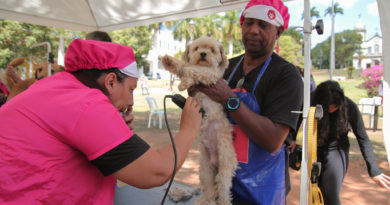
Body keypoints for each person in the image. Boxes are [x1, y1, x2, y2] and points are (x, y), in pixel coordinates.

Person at [0, 39, 202, 204]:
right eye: (131, 90)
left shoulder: (59, 86)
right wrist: (189, 128)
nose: (131, 102)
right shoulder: (87, 104)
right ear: (111, 81)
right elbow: (156, 173)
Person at [193, 0, 303, 204]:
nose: (253, 30)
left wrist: (228, 98)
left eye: (263, 25)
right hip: (221, 182)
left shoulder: (286, 75)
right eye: (249, 23)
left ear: (278, 32)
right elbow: (207, 114)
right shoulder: (227, 66)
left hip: (260, 190)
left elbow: (272, 140)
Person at [311, 80, 390, 205]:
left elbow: (363, 138)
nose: (332, 109)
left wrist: (373, 170)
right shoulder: (311, 102)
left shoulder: (350, 107)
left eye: (336, 106)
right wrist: (292, 139)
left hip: (336, 150)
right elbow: (297, 118)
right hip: (314, 149)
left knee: (330, 194)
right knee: (315, 192)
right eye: (329, 106)